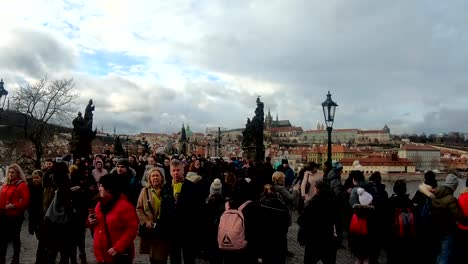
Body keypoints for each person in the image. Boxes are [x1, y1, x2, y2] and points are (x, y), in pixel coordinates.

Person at [89, 174, 139, 264]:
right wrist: (90, 221)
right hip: (102, 256)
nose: (99, 189)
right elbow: (97, 226)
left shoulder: (125, 206)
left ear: (109, 188)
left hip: (117, 255)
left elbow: (131, 229)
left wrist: (118, 247)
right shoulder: (99, 205)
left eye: (101, 186)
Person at [136, 167, 170, 264]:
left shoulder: (167, 190)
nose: (155, 178)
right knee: (152, 255)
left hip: (162, 228)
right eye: (153, 176)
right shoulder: (145, 191)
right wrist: (145, 221)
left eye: (157, 176)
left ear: (162, 178)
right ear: (150, 178)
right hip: (150, 228)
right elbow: (139, 208)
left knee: (161, 256)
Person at [299, 180, 337, 264]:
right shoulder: (333, 202)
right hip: (328, 237)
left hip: (313, 239)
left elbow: (302, 220)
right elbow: (336, 220)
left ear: (317, 189)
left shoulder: (312, 203)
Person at [0, 164, 30, 264]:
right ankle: (2, 258)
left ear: (18, 173)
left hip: (15, 216)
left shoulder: (22, 185)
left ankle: (15, 259)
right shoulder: (6, 184)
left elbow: (26, 201)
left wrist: (14, 205)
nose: (10, 174)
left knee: (14, 237)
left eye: (13, 172)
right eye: (9, 172)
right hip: (3, 214)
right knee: (3, 237)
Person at [258, 184, 290, 264]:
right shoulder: (282, 204)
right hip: (279, 236)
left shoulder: (261, 204)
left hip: (267, 237)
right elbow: (287, 221)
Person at [412, 170, 438, 264]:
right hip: (434, 223)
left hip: (421, 222)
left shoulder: (420, 190)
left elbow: (413, 203)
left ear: (425, 178)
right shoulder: (437, 190)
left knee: (421, 244)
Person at [387, 179, 416, 264]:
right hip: (407, 235)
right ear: (405, 189)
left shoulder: (389, 201)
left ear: (394, 189)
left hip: (393, 234)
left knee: (393, 256)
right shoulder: (409, 202)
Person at [432, 174, 459, 264]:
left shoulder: (435, 194)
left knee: (438, 253)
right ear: (454, 187)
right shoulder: (451, 199)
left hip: (435, 228)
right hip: (447, 229)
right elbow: (458, 216)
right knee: (446, 254)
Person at [27, 170, 46, 263]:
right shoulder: (29, 188)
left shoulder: (44, 188)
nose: (35, 180)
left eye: (37, 178)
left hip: (44, 218)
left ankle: (40, 260)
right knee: (41, 240)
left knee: (43, 241)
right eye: (34, 178)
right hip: (35, 218)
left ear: (41, 178)